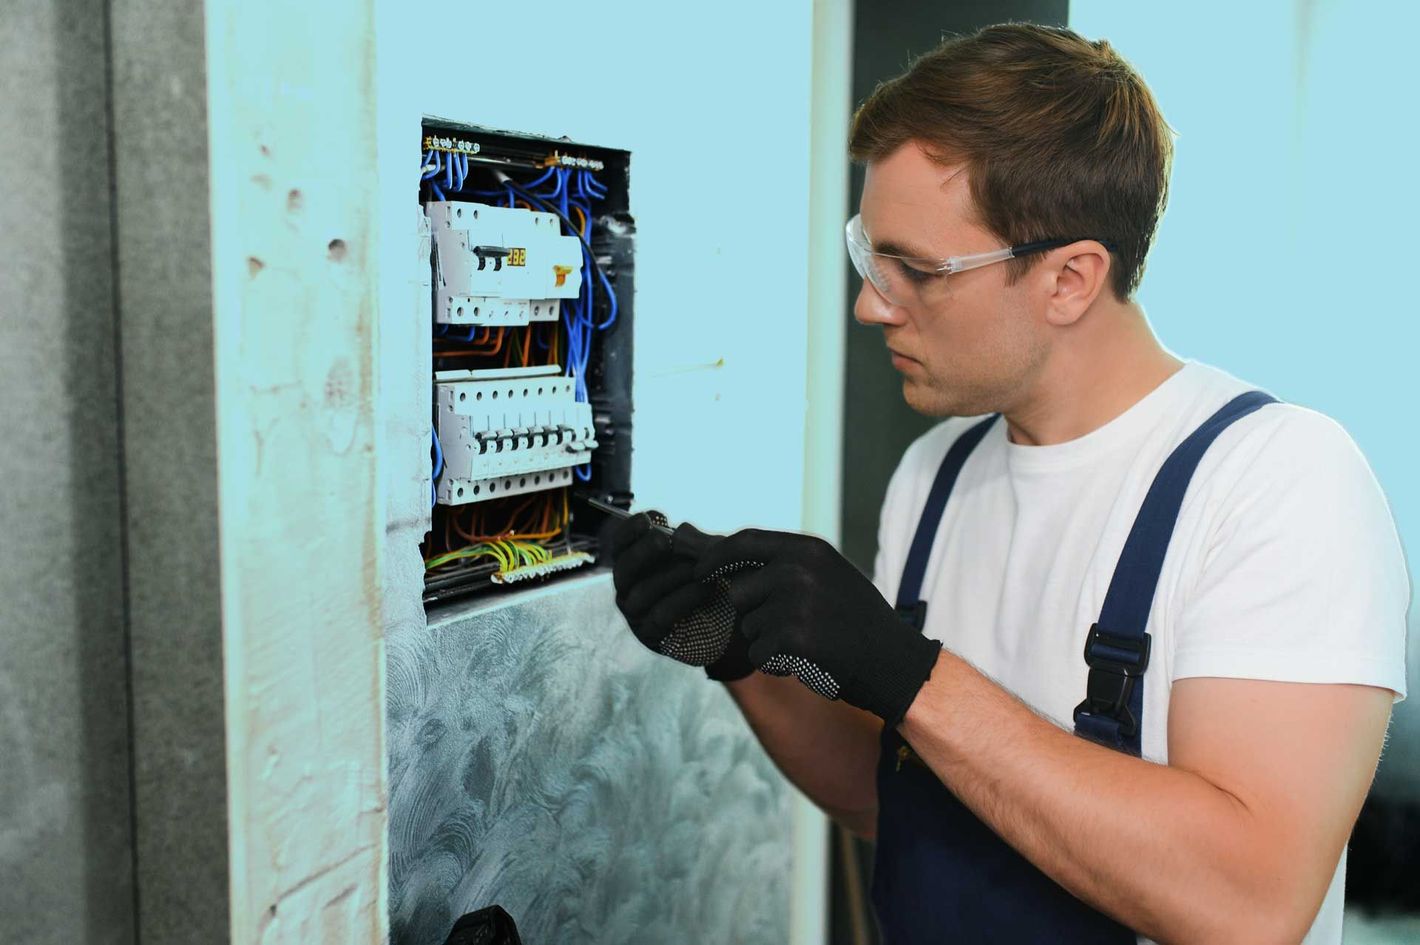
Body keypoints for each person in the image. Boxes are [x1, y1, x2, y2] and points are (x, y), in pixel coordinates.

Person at [609, 23, 1409, 944]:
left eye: (917, 269)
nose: (872, 301)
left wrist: (907, 674)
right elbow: (898, 804)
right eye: (870, 255)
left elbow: (1248, 900)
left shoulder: (1279, 483)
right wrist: (739, 656)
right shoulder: (936, 475)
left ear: (1070, 279)